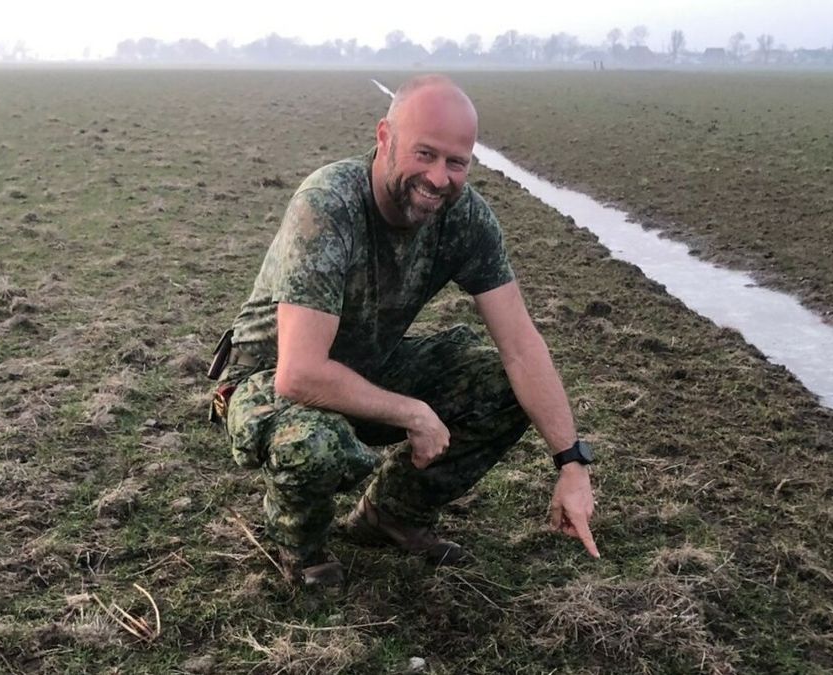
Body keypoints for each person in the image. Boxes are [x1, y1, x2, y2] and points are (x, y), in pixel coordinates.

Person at [216, 74, 599, 587]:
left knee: (504, 386)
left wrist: (572, 464)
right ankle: (302, 545)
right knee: (313, 443)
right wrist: (414, 413)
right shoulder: (329, 204)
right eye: (425, 154)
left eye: (456, 162)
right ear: (384, 139)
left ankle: (392, 516)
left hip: (367, 364)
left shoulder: (465, 219)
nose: (439, 178)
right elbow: (299, 374)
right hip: (268, 380)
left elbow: (522, 347)